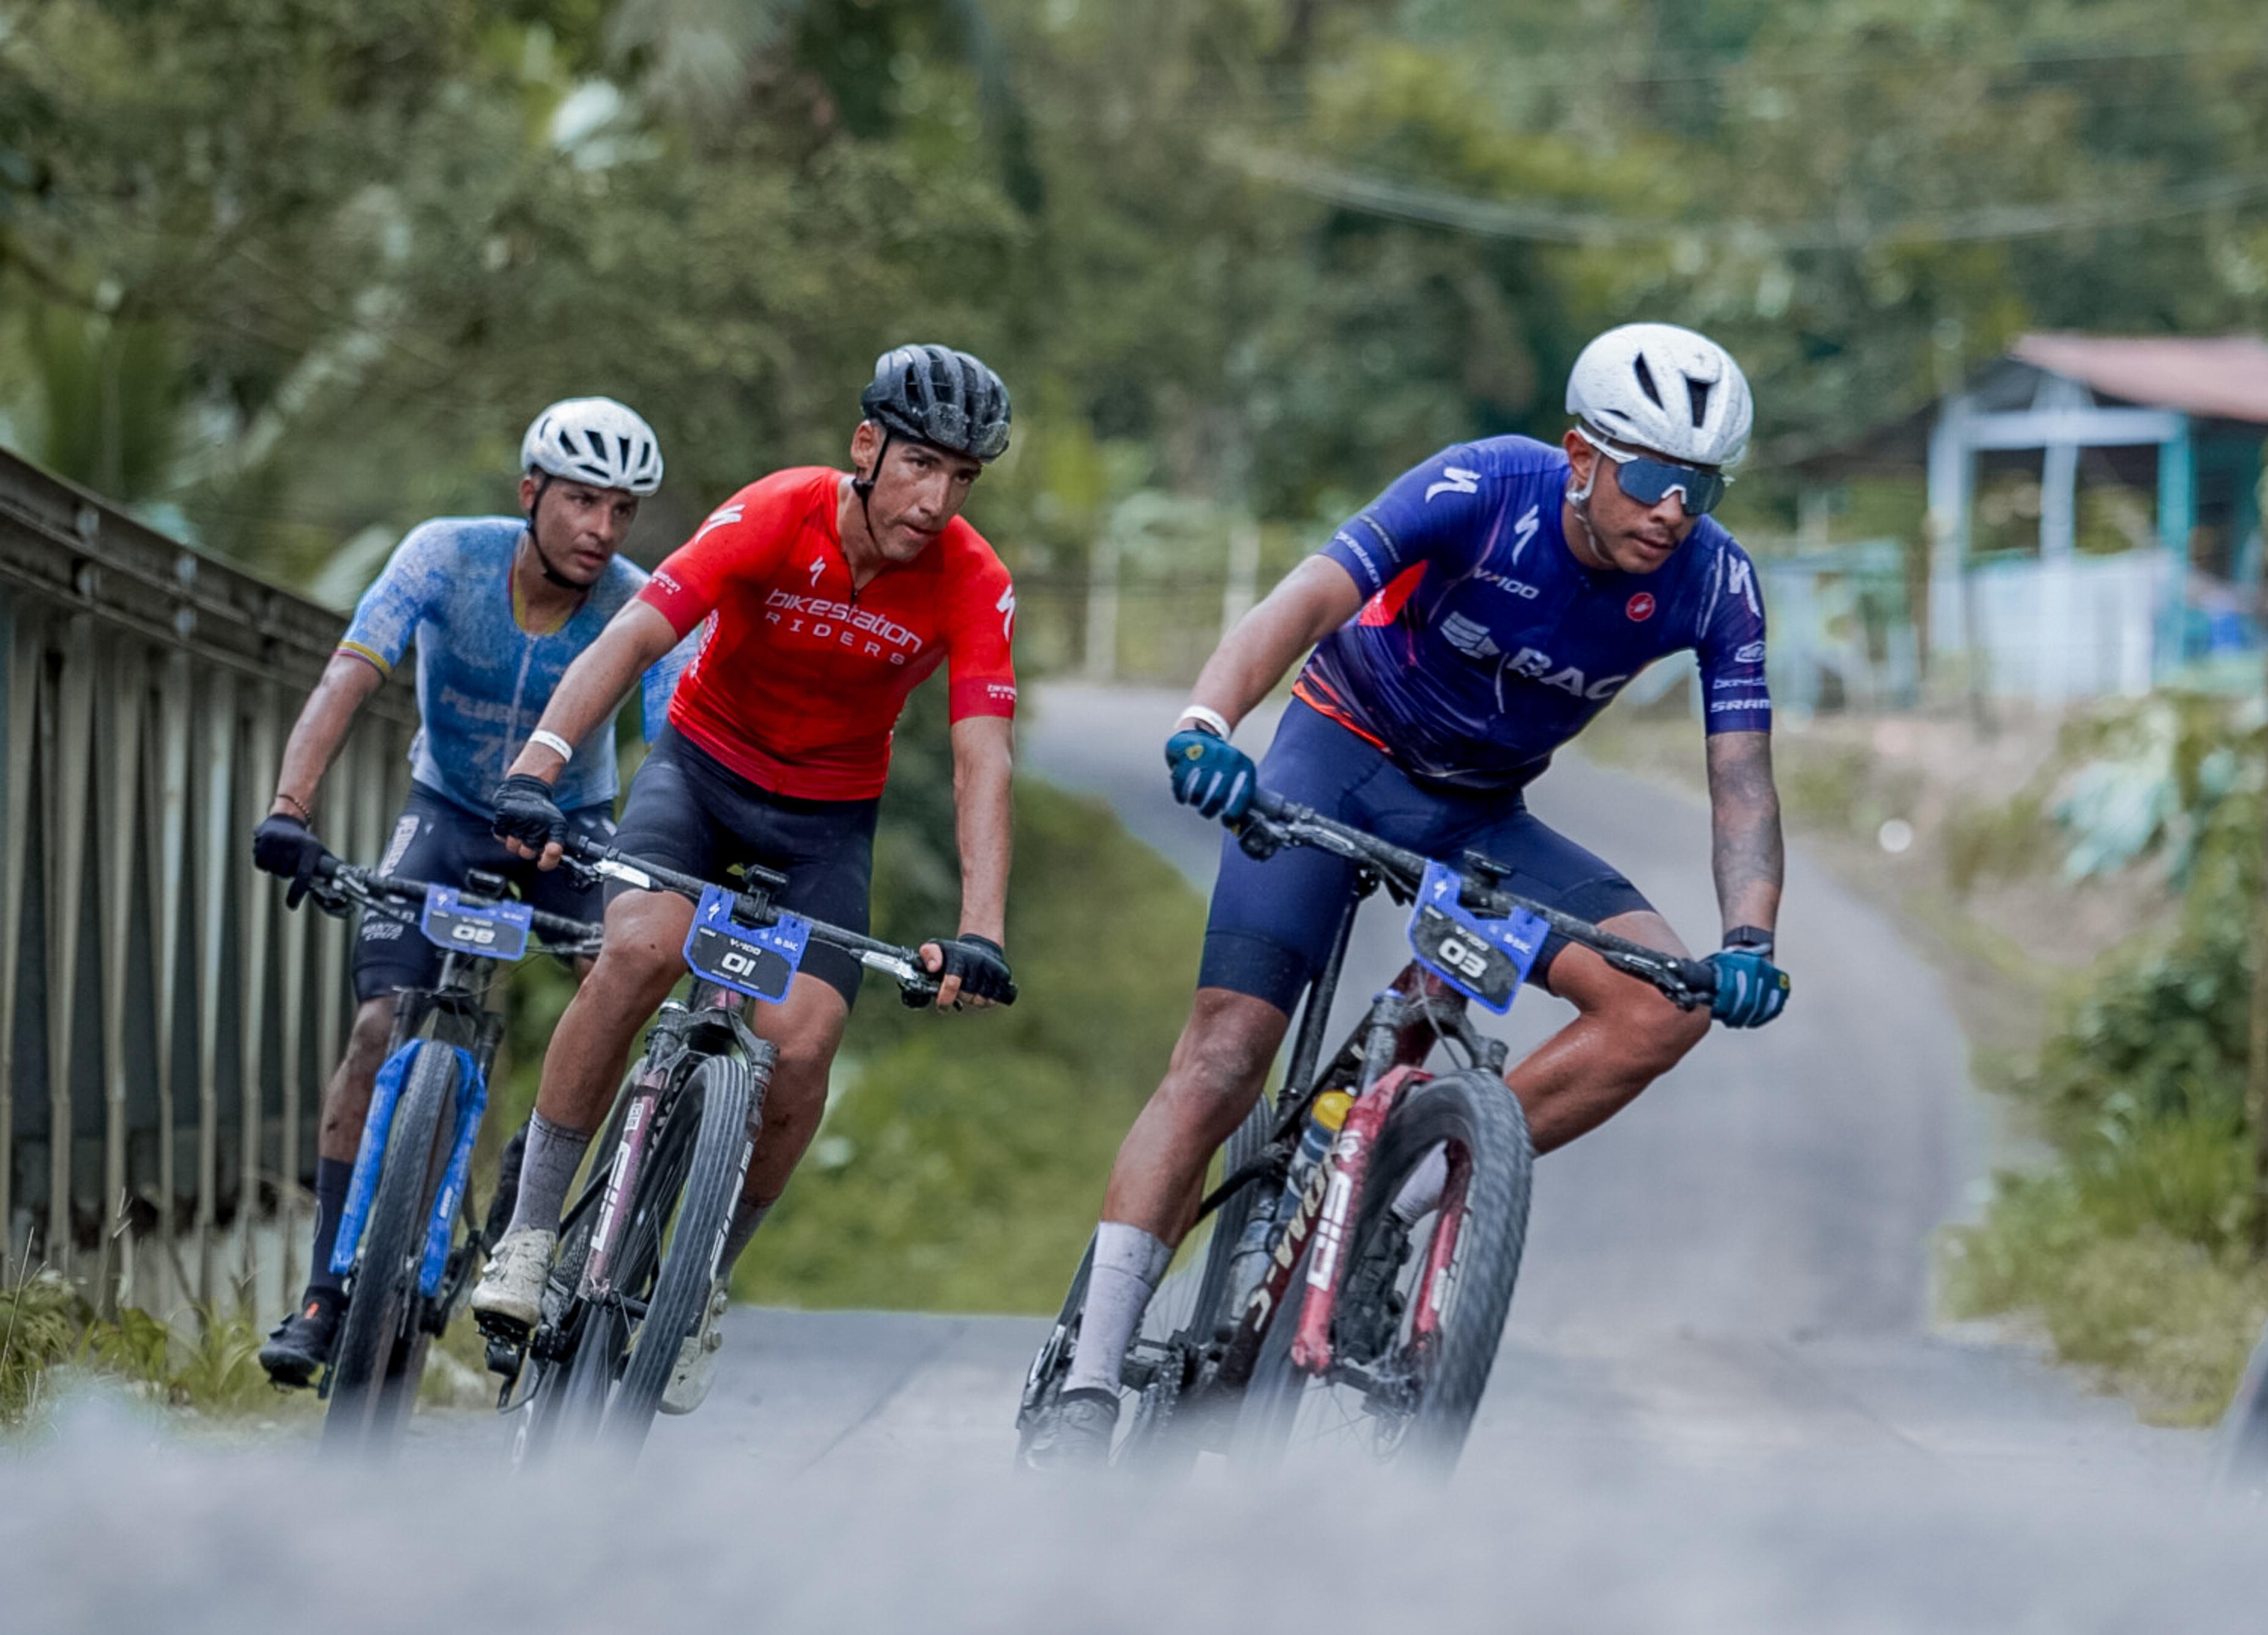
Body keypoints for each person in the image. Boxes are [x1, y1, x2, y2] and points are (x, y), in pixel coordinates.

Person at [1025, 322, 1793, 1466]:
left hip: (1480, 814)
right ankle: (1085, 1385)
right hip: (1337, 752)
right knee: (1228, 1054)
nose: (1675, 508)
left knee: (1658, 1004)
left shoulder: (1714, 580)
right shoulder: (1483, 485)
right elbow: (1306, 599)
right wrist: (1206, 722)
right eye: (1651, 477)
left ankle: (1399, 1202)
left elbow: (1742, 779)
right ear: (1581, 455)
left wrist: (1748, 937)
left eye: (1702, 485)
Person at [475, 343, 1022, 1413]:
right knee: (636, 949)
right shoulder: (780, 510)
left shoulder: (974, 579)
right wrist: (540, 764)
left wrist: (982, 930)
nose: (937, 497)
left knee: (804, 1048)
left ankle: (699, 1286)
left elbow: (981, 753)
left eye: (962, 477)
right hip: (703, 771)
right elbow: (638, 635)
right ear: (866, 446)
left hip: (827, 819)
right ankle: (533, 1233)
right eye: (919, 463)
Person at [250, 396, 688, 1384]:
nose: (600, 530)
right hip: (445, 808)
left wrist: (667, 868)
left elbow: (671, 745)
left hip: (572, 826)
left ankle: (539, 1207)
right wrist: (289, 807)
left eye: (622, 510)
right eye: (581, 500)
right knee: (376, 1030)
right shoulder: (444, 555)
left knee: (618, 986)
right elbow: (346, 676)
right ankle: (326, 1291)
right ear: (530, 491)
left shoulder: (639, 599)